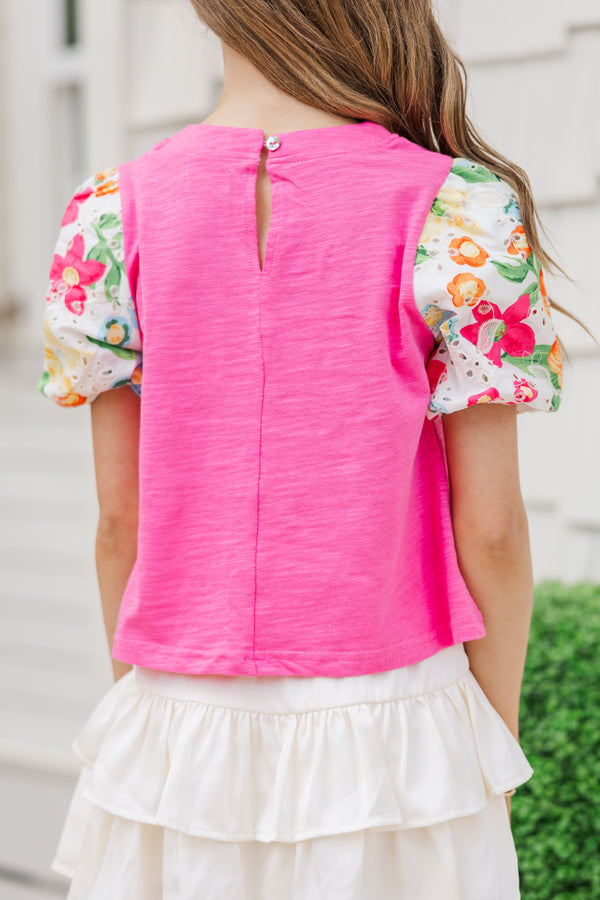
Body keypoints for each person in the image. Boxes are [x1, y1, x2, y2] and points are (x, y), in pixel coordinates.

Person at [36, 1, 581, 897]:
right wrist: (494, 735)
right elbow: (491, 530)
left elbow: (118, 522)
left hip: (178, 719)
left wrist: (153, 714)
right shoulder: (458, 207)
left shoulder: (108, 213)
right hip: (397, 723)